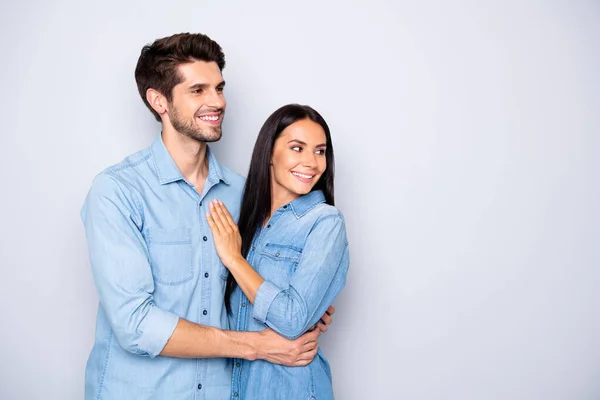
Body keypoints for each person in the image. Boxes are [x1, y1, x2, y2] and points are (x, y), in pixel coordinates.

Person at [81, 33, 333, 400]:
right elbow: (135, 324)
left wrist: (305, 306)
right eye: (198, 90)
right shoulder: (117, 192)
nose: (217, 101)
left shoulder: (245, 194)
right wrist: (258, 345)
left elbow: (259, 286)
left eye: (219, 87)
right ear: (159, 101)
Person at [207, 104, 350, 400]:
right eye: (297, 148)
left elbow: (292, 318)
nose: (311, 162)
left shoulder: (325, 223)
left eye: (320, 151)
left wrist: (234, 259)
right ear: (270, 152)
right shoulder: (246, 219)